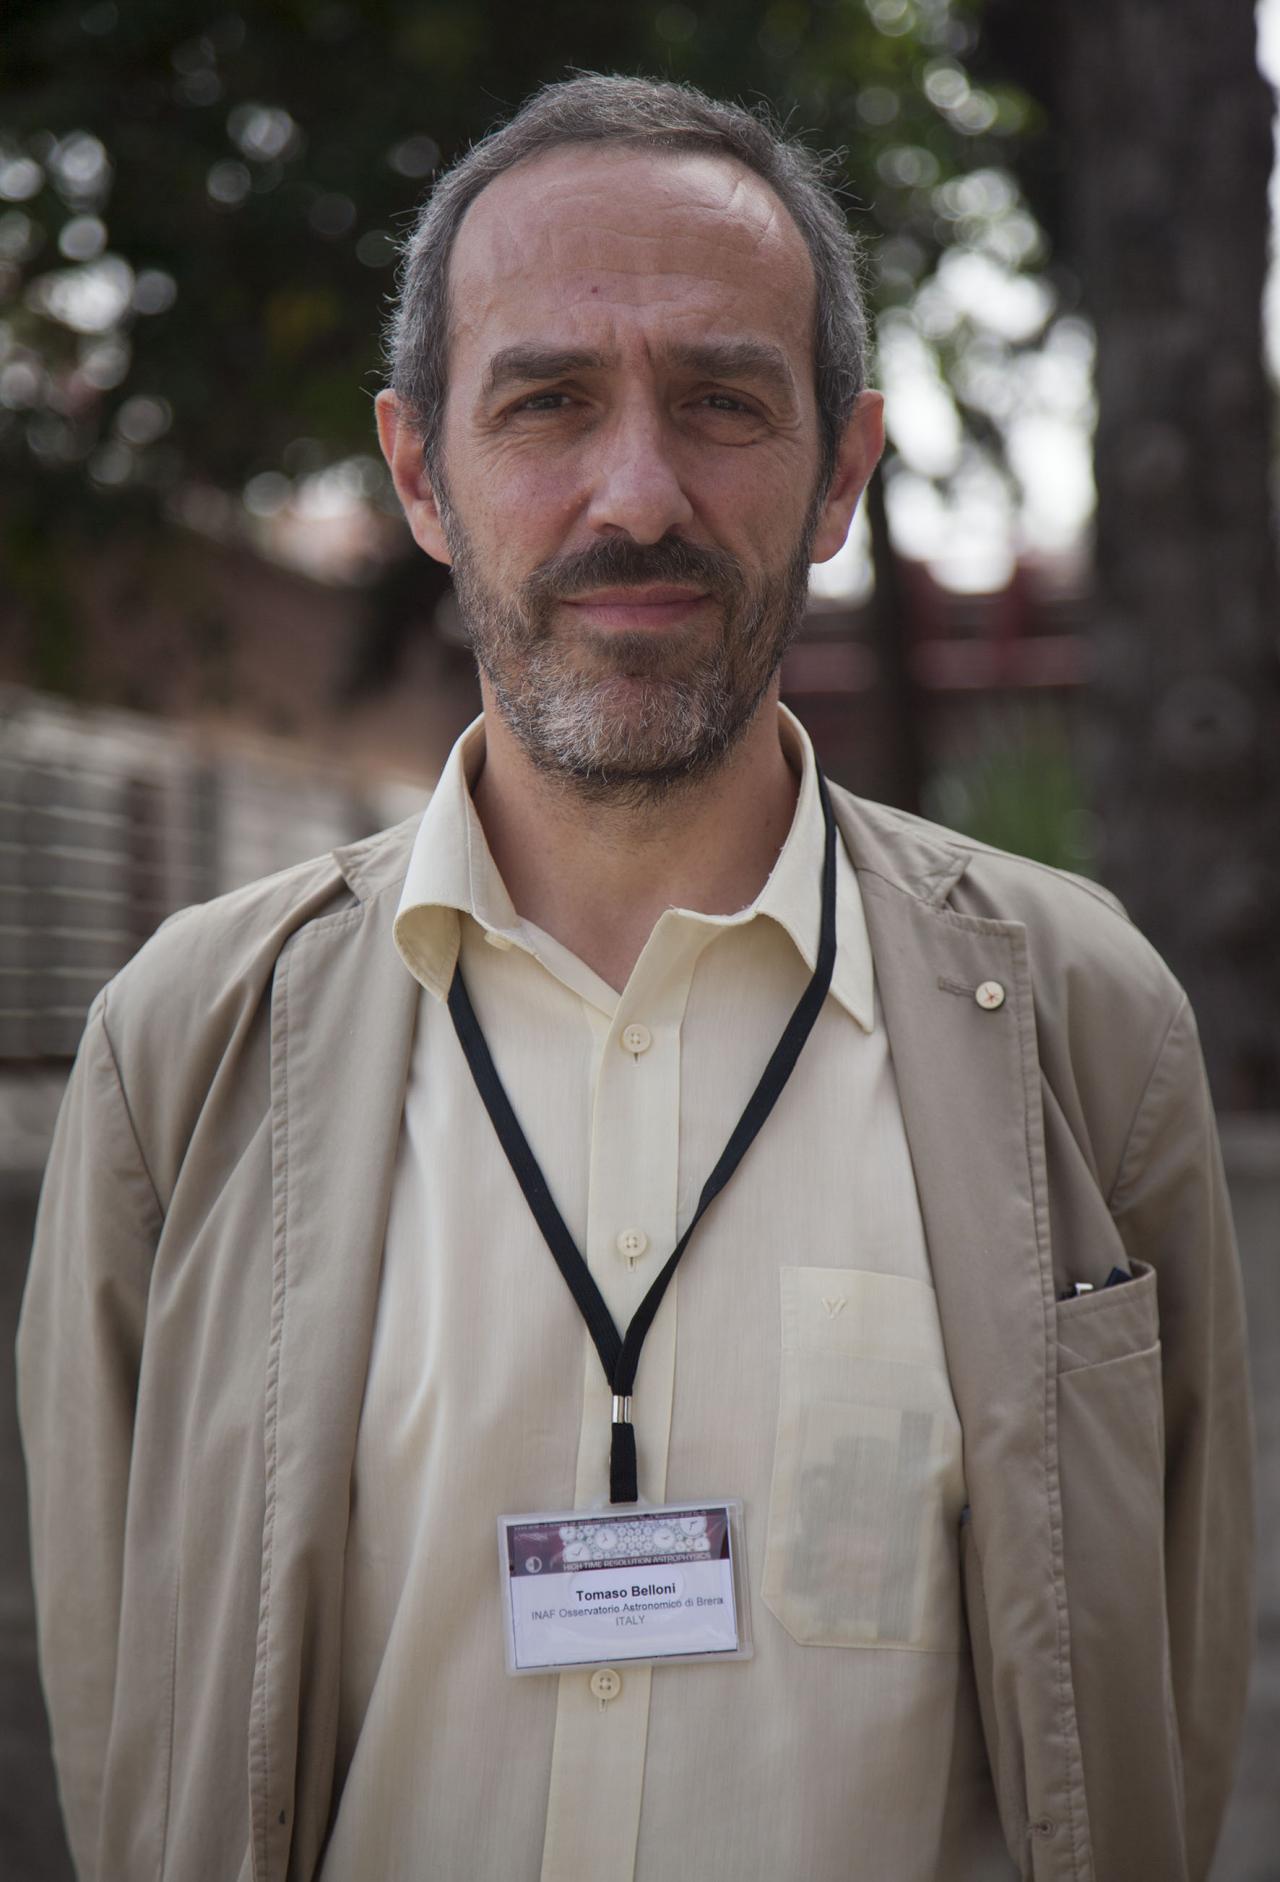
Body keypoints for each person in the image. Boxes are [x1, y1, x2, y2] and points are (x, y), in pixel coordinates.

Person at [17, 73, 1253, 1882]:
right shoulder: (182, 1050)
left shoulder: (1085, 1020)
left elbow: (1167, 1691)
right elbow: (133, 1730)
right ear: (423, 471)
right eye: (546, 401)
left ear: (841, 469)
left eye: (725, 401)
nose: (639, 492)